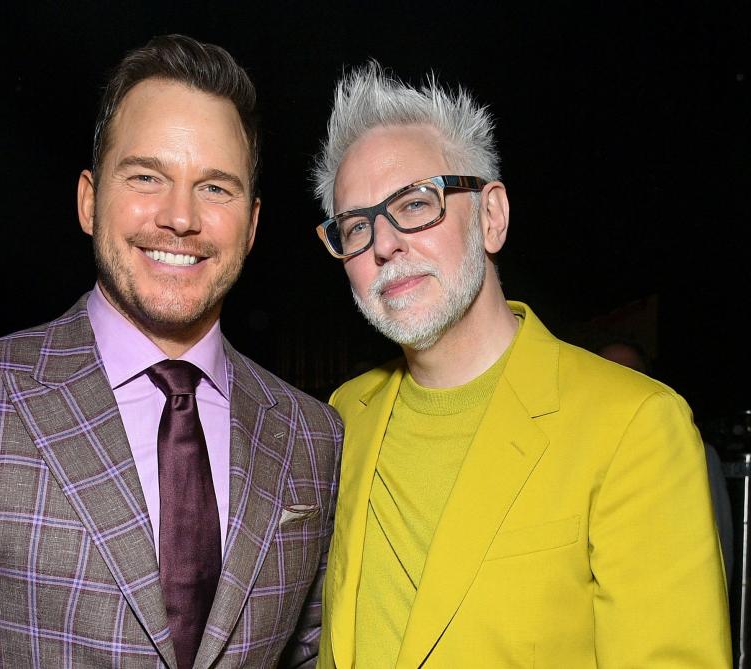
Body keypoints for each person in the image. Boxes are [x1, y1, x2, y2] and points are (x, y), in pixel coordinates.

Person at [0, 35, 341, 669]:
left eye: (215, 188)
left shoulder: (312, 436)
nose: (180, 217)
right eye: (147, 176)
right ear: (90, 201)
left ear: (252, 225)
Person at [311, 62, 730, 667]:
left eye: (416, 203)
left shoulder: (634, 426)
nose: (383, 244)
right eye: (356, 225)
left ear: (491, 216)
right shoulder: (343, 416)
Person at [592, 336, 734, 586]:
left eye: (632, 372)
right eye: (609, 370)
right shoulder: (572, 455)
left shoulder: (690, 448)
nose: (621, 380)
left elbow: (717, 545)